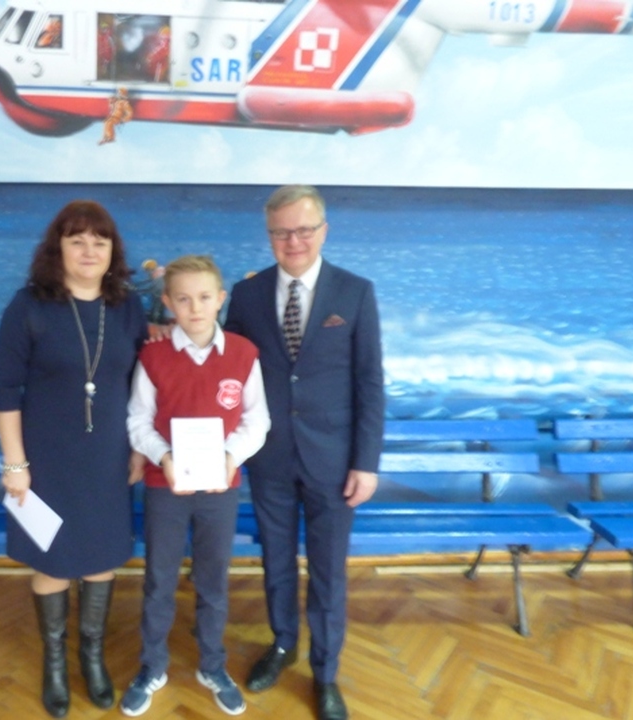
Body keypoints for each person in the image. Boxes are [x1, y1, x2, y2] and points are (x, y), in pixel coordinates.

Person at [223, 186, 384, 720]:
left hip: (334, 462)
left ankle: (326, 672)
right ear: (269, 235)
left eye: (303, 229)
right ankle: (283, 644)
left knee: (328, 571)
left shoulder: (355, 292)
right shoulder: (246, 296)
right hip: (268, 457)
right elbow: (227, 369)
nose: (293, 241)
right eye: (281, 232)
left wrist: (366, 463)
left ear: (323, 231)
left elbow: (370, 382)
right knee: (275, 560)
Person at [0, 200, 148, 718]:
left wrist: (138, 449)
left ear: (112, 252)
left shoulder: (127, 308)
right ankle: (55, 664)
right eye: (76, 240)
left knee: (102, 559)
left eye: (99, 242)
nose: (88, 251)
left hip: (108, 458)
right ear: (56, 247)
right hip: (47, 460)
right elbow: (6, 392)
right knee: (53, 560)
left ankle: (93, 657)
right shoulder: (28, 306)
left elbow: (142, 386)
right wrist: (15, 464)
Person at [122, 255, 270, 717]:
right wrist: (164, 457)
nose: (195, 308)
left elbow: (257, 421)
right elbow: (138, 420)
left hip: (221, 488)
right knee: (159, 580)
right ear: (168, 303)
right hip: (164, 486)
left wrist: (229, 458)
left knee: (213, 581)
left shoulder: (244, 354)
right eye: (183, 299)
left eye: (204, 297)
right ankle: (152, 667)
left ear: (220, 299)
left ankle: (212, 665)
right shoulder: (153, 356)